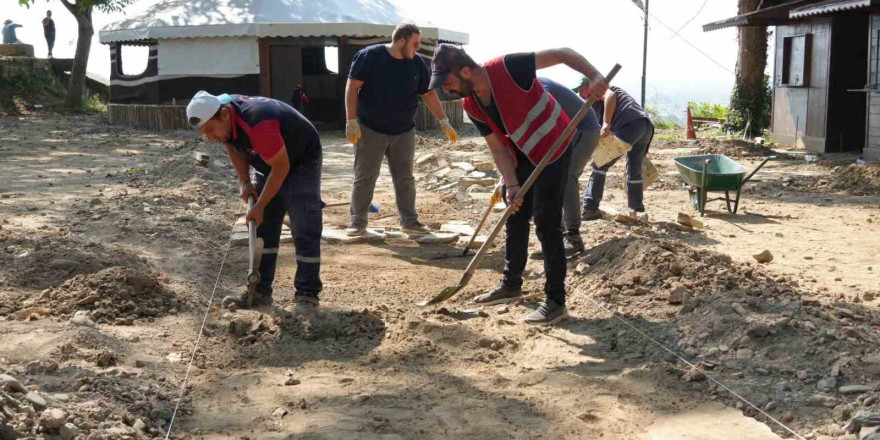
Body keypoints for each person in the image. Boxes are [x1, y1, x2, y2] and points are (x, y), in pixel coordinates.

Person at [431, 44, 607, 325]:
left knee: (547, 222)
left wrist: (596, 76)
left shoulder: (508, 68)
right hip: (522, 153)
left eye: (448, 83)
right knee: (514, 210)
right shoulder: (471, 104)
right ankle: (511, 284)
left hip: (554, 145)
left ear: (465, 71)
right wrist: (511, 184)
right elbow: (497, 147)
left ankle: (555, 300)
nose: (447, 90)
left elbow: (563, 53)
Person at [186, 91, 324, 310]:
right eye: (203, 133)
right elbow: (231, 144)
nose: (209, 137)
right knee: (263, 227)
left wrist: (259, 206)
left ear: (223, 114)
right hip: (267, 158)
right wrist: (245, 183)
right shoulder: (224, 117)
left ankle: (307, 293)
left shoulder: (258, 122)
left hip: (300, 159)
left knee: (304, 222)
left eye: (210, 129)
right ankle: (259, 291)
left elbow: (282, 167)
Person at [344, 23, 458, 237]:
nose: (418, 48)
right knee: (365, 176)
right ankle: (357, 223)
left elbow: (428, 94)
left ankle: (410, 222)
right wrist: (351, 119)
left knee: (405, 177)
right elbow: (352, 86)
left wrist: (444, 121)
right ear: (402, 41)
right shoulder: (370, 56)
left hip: (404, 130)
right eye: (415, 43)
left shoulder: (416, 63)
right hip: (370, 128)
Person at [536, 77, 601, 257]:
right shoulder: (528, 89)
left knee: (567, 177)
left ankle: (573, 237)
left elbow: (547, 121)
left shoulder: (540, 87)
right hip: (569, 132)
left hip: (584, 130)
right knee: (555, 179)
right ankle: (557, 238)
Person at [576, 80, 654, 219]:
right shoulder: (594, 103)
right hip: (644, 126)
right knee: (634, 169)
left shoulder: (605, 89)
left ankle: (590, 208)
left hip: (630, 124)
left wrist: (606, 123)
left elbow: (610, 95)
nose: (580, 94)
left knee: (600, 164)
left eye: (581, 89)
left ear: (589, 85)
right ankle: (636, 210)